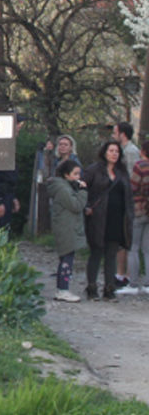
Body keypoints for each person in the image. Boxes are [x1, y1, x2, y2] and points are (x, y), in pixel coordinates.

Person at [81, 139, 134, 302]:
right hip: (97, 217)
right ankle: (91, 288)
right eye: (111, 151)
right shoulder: (93, 170)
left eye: (117, 151)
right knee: (96, 251)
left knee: (112, 253)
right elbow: (82, 189)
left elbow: (128, 195)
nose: (114, 154)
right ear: (104, 152)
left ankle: (109, 288)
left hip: (117, 217)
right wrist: (87, 207)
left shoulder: (122, 172)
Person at [47, 159, 88, 302]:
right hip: (66, 228)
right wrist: (83, 192)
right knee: (66, 259)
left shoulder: (64, 187)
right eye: (75, 174)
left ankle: (63, 288)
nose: (78, 177)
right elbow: (76, 205)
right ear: (66, 175)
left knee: (67, 258)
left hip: (67, 226)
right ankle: (62, 289)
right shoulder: (63, 189)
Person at [30, 134, 81, 234]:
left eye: (65, 144)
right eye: (60, 144)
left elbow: (77, 180)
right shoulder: (56, 161)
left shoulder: (74, 161)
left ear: (71, 147)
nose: (62, 146)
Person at [112, 122, 140, 289]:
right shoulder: (120, 151)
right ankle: (120, 273)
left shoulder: (131, 152)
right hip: (120, 199)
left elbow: (132, 177)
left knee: (128, 238)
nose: (113, 135)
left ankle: (128, 275)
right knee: (120, 238)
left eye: (115, 132)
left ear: (122, 134)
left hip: (128, 201)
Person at [122, 140, 149, 295]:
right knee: (147, 250)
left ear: (143, 151)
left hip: (139, 209)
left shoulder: (140, 166)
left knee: (133, 248)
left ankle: (133, 283)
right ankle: (147, 283)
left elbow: (132, 187)